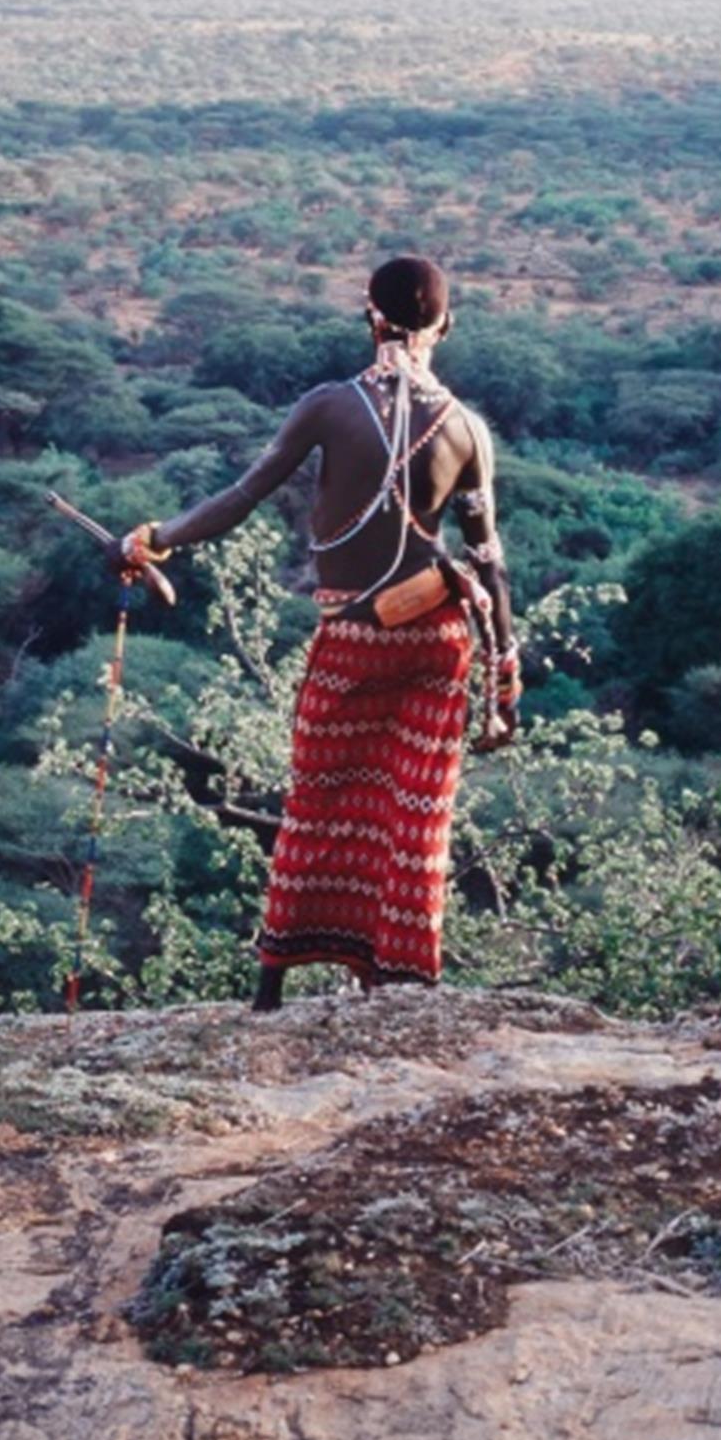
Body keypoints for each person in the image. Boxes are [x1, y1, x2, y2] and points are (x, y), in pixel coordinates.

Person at [108, 256, 520, 1010]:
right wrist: (505, 690)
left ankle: (271, 991)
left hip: (356, 639)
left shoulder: (330, 406)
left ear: (371, 320)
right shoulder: (468, 430)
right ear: (446, 326)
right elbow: (489, 565)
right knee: (413, 814)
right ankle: (398, 985)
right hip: (439, 638)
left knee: (321, 803)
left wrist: (155, 538)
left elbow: (242, 496)